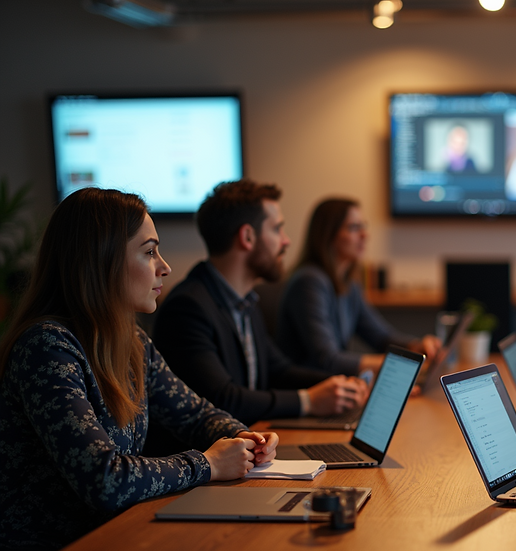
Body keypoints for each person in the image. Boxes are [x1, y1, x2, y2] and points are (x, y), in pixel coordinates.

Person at [0, 188, 277, 549]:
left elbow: (194, 415)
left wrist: (243, 438)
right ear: (101, 261)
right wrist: (207, 464)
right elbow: (105, 479)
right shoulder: (47, 347)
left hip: (117, 534)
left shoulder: (133, 343)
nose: (165, 266)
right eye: (149, 252)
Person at [152, 180, 367, 431]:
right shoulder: (188, 307)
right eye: (277, 229)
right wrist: (308, 401)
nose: (286, 242)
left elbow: (279, 371)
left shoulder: (247, 302)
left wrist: (344, 385)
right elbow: (222, 399)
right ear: (247, 237)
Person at [277, 198, 440, 376]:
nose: (364, 235)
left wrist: (417, 346)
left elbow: (381, 337)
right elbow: (328, 360)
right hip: (312, 390)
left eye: (364, 226)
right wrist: (404, 363)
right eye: (354, 228)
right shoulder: (309, 282)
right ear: (328, 235)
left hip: (336, 386)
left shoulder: (348, 284)